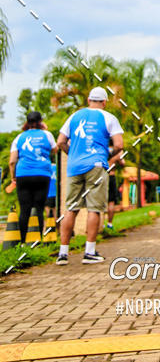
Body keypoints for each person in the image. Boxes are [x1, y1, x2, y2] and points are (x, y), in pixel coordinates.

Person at [56, 87, 123, 264]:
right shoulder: (109, 117)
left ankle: (63, 254)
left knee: (71, 207)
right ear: (105, 102)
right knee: (94, 208)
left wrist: (72, 154)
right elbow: (119, 145)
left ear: (88, 100)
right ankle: (89, 252)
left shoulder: (73, 117)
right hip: (96, 165)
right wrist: (106, 155)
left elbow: (60, 142)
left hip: (74, 167)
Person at [9, 112, 57, 244]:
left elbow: (12, 161)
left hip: (23, 175)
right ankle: (37, 240)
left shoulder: (19, 137)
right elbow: (55, 150)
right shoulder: (47, 135)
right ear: (41, 121)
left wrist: (14, 177)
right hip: (42, 174)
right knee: (39, 208)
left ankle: (22, 243)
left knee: (24, 209)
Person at [105, 143, 121, 230]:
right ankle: (109, 223)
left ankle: (101, 223)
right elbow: (123, 163)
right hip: (111, 176)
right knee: (111, 202)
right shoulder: (116, 152)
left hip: (102, 176)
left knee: (100, 201)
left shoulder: (102, 149)